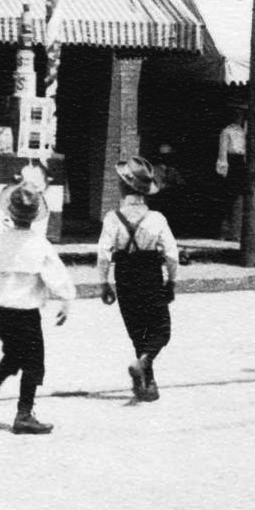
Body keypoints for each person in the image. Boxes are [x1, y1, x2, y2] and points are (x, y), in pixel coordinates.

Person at [0, 179, 75, 435]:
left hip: (3, 309)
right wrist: (65, 300)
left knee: (14, 354)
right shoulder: (39, 244)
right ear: (35, 216)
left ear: (11, 211)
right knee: (33, 363)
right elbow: (56, 275)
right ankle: (24, 414)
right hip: (26, 310)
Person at [97, 156, 179, 402]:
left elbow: (103, 254)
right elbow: (172, 255)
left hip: (124, 274)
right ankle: (145, 366)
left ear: (123, 187)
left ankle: (147, 381)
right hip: (150, 273)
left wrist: (104, 282)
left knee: (137, 332)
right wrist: (171, 282)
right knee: (162, 330)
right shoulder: (157, 218)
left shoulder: (112, 218)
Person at [215, 99, 248, 243]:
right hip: (231, 164)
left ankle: (236, 232)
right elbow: (222, 152)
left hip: (241, 164)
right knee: (229, 199)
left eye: (240, 114)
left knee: (239, 199)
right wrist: (223, 168)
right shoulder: (226, 131)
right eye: (235, 114)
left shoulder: (244, 131)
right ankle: (225, 231)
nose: (238, 116)